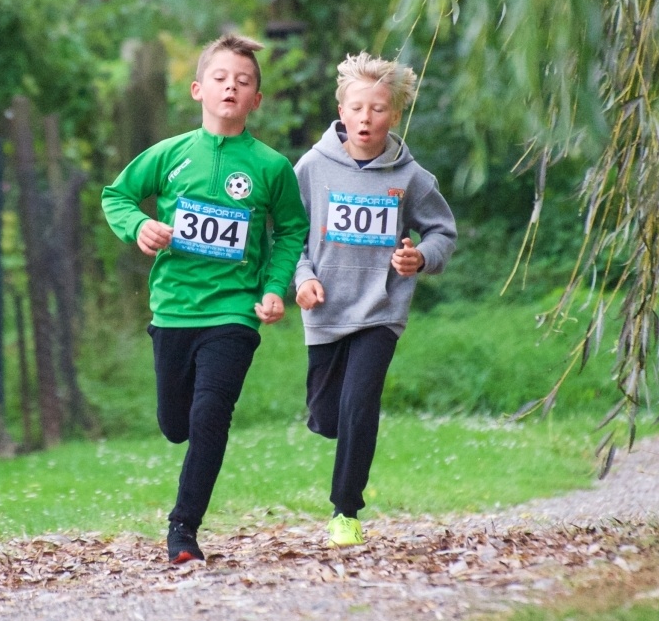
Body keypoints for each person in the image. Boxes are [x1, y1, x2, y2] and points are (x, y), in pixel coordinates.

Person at [101, 34, 309, 564]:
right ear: (198, 90)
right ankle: (185, 435)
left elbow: (291, 230)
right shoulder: (170, 154)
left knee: (211, 414)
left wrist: (273, 287)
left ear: (256, 99)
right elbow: (117, 195)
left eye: (243, 81)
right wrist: (139, 226)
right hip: (174, 309)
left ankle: (183, 530)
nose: (230, 88)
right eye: (220, 78)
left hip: (235, 312)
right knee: (177, 425)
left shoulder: (270, 166)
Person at [293, 52, 457, 547]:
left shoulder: (410, 176)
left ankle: (345, 511)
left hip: (381, 310)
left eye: (379, 109)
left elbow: (442, 232)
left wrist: (420, 258)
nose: (367, 118)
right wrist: (302, 278)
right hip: (325, 309)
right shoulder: (312, 168)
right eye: (358, 108)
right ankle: (334, 425)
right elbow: (289, 235)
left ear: (395, 114)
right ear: (341, 111)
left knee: (359, 404)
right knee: (329, 416)